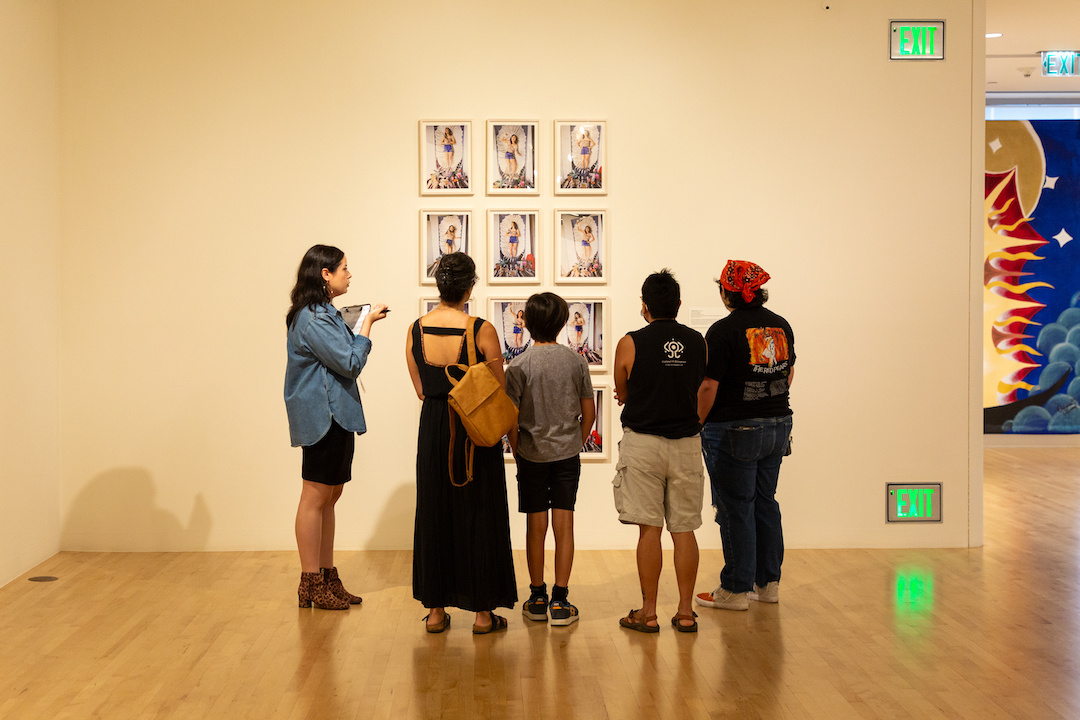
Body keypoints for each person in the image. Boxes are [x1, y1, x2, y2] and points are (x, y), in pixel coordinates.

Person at [405, 252, 518, 634]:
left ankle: (435, 612)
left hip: (434, 429)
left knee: (435, 513)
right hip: (473, 432)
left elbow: (421, 390)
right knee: (479, 515)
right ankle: (483, 615)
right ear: (470, 287)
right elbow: (497, 391)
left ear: (439, 286)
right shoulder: (482, 330)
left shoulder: (416, 329)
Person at [284, 245, 389, 610]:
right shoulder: (313, 318)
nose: (349, 274)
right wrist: (368, 326)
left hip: (336, 414)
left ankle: (326, 576)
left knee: (330, 497)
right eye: (344, 268)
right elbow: (349, 362)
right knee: (315, 497)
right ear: (325, 274)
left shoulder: (325, 313)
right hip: (321, 416)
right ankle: (310, 582)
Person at [695, 260, 795, 611]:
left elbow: (709, 385)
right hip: (778, 424)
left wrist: (697, 424)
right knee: (766, 502)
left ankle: (736, 589)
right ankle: (768, 584)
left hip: (736, 428)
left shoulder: (722, 331)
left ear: (726, 293)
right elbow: (789, 371)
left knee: (736, 507)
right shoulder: (780, 325)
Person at [612, 270, 707, 633]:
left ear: (644, 305)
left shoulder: (630, 342)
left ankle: (648, 613)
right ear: (679, 305)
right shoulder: (698, 341)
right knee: (684, 529)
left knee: (648, 529)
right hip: (686, 443)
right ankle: (685, 612)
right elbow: (701, 386)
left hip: (643, 444)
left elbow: (622, 390)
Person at [505, 293, 595, 627]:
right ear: (561, 323)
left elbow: (509, 417)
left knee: (535, 524)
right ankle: (560, 599)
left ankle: (537, 596)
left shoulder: (519, 364)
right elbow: (589, 411)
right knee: (564, 523)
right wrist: (577, 441)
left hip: (531, 454)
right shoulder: (576, 362)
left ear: (526, 322)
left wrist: (517, 447)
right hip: (566, 454)